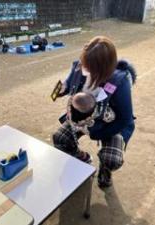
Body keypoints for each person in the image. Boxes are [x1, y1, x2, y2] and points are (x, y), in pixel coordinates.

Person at [53, 36, 136, 188]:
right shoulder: (81, 67)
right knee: (60, 138)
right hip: (81, 119)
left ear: (104, 67)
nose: (85, 69)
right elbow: (69, 82)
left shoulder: (119, 81)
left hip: (108, 123)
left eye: (90, 66)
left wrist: (100, 134)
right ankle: (81, 157)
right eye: (85, 62)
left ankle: (105, 169)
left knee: (112, 159)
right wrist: (62, 89)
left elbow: (124, 119)